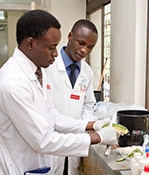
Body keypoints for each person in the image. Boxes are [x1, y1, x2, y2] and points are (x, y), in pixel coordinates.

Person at [0, 10, 117, 175]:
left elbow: (52, 117)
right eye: (52, 47)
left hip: (38, 160)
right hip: (16, 165)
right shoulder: (13, 83)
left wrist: (91, 125)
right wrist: (97, 137)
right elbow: (43, 140)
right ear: (30, 44)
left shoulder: (37, 71)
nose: (56, 54)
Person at [46, 19, 103, 175]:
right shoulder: (47, 65)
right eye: (81, 43)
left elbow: (88, 104)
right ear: (70, 36)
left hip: (75, 140)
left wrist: (87, 125)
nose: (84, 50)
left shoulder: (87, 71)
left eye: (90, 47)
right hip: (50, 139)